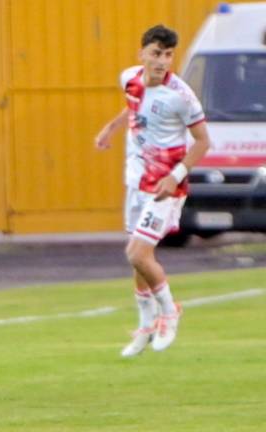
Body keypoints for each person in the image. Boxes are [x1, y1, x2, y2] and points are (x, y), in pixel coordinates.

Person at [95, 25, 210, 357]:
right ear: (142, 54)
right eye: (156, 54)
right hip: (135, 180)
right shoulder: (129, 78)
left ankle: (169, 312)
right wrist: (111, 128)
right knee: (138, 260)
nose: (162, 62)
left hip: (165, 186)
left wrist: (175, 177)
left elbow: (203, 142)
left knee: (137, 253)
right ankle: (145, 326)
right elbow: (133, 108)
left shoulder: (181, 96)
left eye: (168, 55)